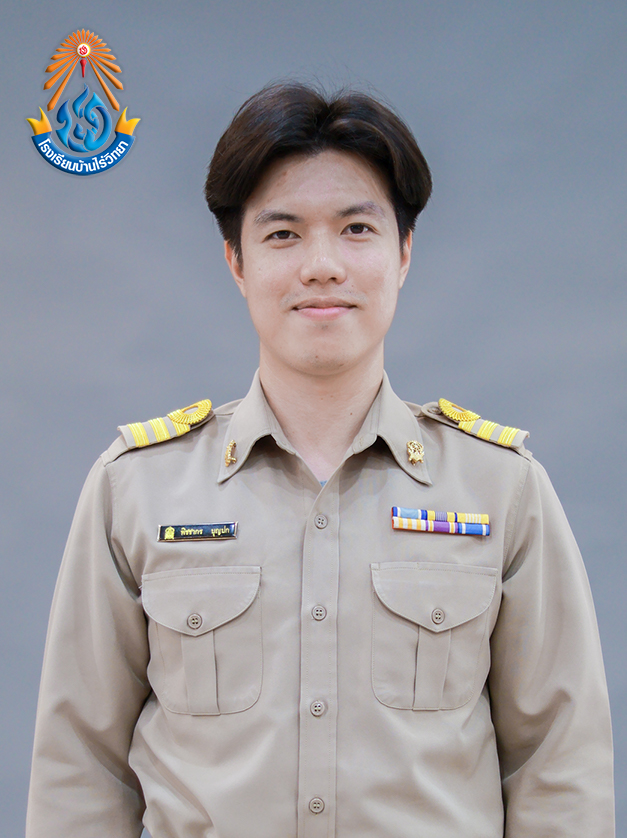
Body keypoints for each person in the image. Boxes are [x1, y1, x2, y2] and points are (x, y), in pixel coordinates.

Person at [26, 82, 614, 838]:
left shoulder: (501, 488)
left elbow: (558, 766)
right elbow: (80, 770)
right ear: (236, 261)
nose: (323, 265)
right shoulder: (136, 488)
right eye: (283, 234)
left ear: (403, 253)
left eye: (357, 229)